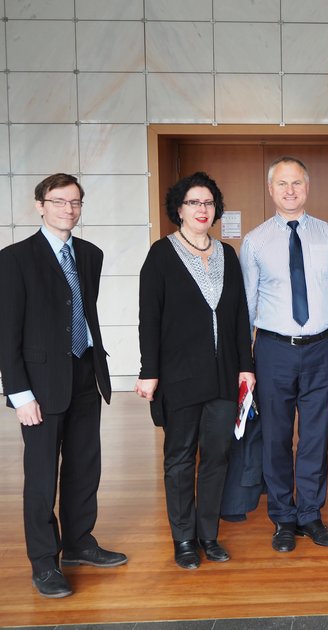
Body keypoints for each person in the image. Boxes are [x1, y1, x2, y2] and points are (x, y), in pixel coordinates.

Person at [0, 173, 125, 598]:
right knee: (40, 477)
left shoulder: (90, 254)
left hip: (85, 370)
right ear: (39, 204)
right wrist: (19, 394)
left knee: (84, 466)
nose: (67, 209)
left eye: (75, 202)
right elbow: (7, 332)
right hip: (39, 383)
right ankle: (43, 562)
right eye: (58, 201)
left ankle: (78, 544)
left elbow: (80, 309)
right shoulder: (14, 259)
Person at [241, 156, 328, 551]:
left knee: (315, 438)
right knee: (276, 438)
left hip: (323, 349)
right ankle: (283, 518)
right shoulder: (256, 241)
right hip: (274, 351)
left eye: (297, 183)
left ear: (307, 188)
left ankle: (310, 514)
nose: (290, 190)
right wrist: (245, 364)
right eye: (282, 184)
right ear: (271, 189)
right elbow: (245, 306)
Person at [135, 172, 255, 570]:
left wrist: (246, 368)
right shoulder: (161, 254)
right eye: (193, 203)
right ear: (179, 209)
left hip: (223, 377)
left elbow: (240, 317)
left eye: (208, 203)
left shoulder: (228, 254)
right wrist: (148, 371)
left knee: (218, 455)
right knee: (181, 458)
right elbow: (148, 318)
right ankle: (184, 538)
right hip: (179, 376)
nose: (202, 210)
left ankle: (208, 534)